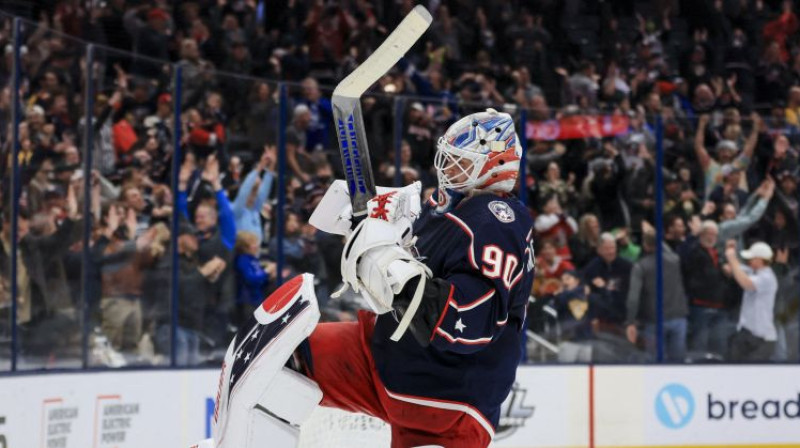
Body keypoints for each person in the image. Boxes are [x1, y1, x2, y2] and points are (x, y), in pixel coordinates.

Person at [206, 109, 533, 448]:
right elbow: (401, 255)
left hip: (448, 397)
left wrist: (390, 267)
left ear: (496, 166)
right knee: (277, 362)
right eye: (448, 160)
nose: (448, 170)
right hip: (393, 356)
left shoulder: (497, 219)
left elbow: (468, 320)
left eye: (460, 162)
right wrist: (369, 224)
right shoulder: (453, 210)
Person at [725, 241, 778, 361]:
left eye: (752, 258)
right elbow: (737, 269)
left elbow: (746, 283)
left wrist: (732, 258)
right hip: (746, 333)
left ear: (760, 260)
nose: (749, 261)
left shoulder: (767, 277)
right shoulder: (754, 272)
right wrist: (731, 255)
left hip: (761, 338)